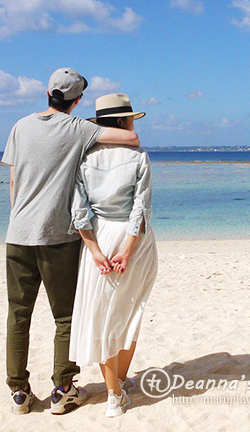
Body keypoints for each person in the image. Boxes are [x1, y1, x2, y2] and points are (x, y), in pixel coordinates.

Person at [2, 69, 140, 416]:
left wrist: (21, 220)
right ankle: (63, 389)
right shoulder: (78, 128)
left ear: (47, 92)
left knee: (18, 315)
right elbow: (131, 138)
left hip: (17, 235)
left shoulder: (20, 126)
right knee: (65, 317)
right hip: (58, 238)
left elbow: (14, 182)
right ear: (77, 101)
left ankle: (19, 392)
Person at [68, 93, 158, 418]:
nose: (133, 124)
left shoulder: (85, 158)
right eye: (131, 118)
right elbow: (141, 209)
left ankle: (114, 390)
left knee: (103, 314)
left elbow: (79, 211)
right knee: (131, 309)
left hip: (100, 235)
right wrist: (128, 248)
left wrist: (94, 249)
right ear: (122, 122)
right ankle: (116, 388)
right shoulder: (138, 156)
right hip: (133, 238)